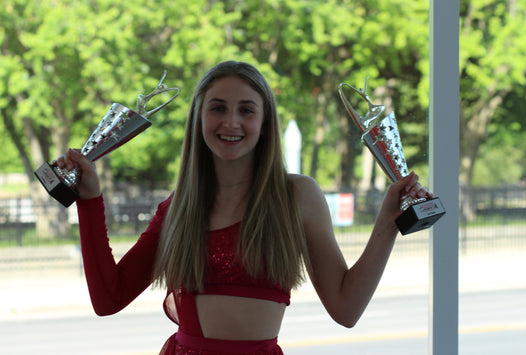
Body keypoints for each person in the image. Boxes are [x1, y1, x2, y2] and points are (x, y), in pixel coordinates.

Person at [55, 61, 433, 355]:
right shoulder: (177, 210)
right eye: (217, 108)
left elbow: (346, 308)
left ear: (265, 123)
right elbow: (108, 299)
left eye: (247, 110)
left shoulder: (297, 196)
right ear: (199, 120)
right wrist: (90, 201)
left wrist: (388, 220)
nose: (231, 122)